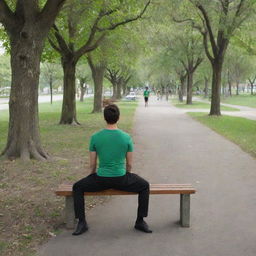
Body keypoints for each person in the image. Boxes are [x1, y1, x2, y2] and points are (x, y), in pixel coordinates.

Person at [72, 104, 152, 235]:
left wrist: (91, 176)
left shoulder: (95, 137)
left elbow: (92, 165)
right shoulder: (126, 137)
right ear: (118, 118)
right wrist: (127, 175)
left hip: (101, 179)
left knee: (77, 187)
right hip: (121, 178)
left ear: (105, 118)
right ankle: (140, 221)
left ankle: (82, 222)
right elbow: (130, 164)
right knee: (144, 186)